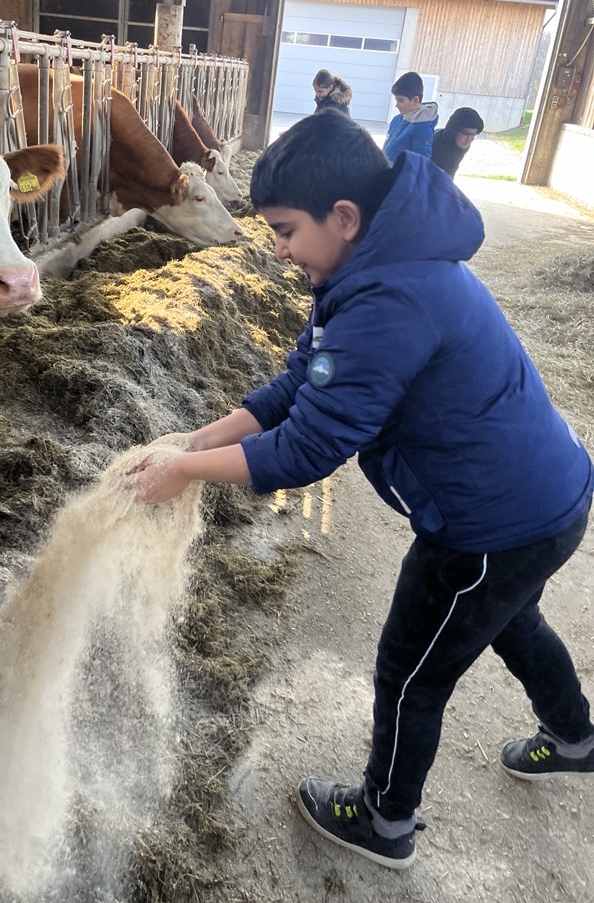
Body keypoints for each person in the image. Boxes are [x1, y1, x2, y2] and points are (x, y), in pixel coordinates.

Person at [127, 110, 594, 871]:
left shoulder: (388, 299)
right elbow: (301, 382)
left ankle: (385, 821)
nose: (278, 250)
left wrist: (182, 473)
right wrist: (199, 440)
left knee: (410, 671)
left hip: (491, 524)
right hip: (545, 497)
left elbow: (309, 447)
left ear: (343, 217)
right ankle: (575, 736)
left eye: (285, 231)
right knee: (509, 616)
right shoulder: (374, 264)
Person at [383, 70, 438, 163]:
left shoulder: (423, 127)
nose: (396, 105)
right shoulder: (397, 119)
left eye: (400, 101)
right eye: (396, 100)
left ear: (415, 100)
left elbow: (421, 162)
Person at [431, 106, 485, 178]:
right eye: (465, 133)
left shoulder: (460, 143)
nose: (469, 139)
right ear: (454, 131)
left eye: (473, 135)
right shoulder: (435, 145)